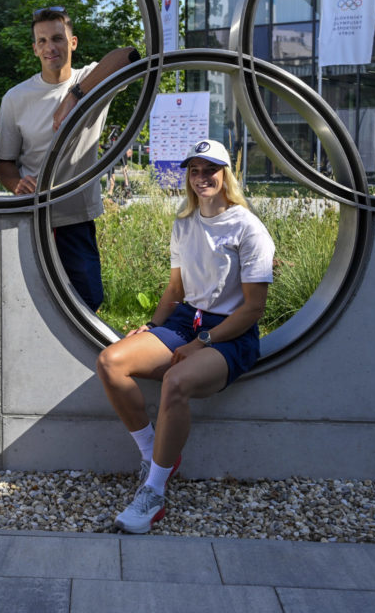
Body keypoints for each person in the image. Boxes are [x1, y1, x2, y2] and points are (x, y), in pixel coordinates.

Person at [95, 138, 274, 534]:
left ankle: (154, 492)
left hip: (230, 332)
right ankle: (153, 455)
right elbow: (175, 289)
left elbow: (253, 308)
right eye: (194, 170)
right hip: (184, 321)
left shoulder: (249, 227)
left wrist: (203, 343)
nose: (201, 178)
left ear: (227, 175)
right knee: (111, 362)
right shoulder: (184, 223)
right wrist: (155, 326)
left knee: (176, 381)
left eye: (210, 169)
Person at [0, 6, 137, 310]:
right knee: (31, 303)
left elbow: (128, 55)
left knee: (87, 301)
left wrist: (75, 95)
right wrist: (17, 183)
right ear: (34, 49)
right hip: (33, 216)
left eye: (58, 38)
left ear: (73, 43)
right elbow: (3, 162)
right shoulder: (16, 98)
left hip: (76, 218)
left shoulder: (93, 79)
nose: (50, 47)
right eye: (42, 41)